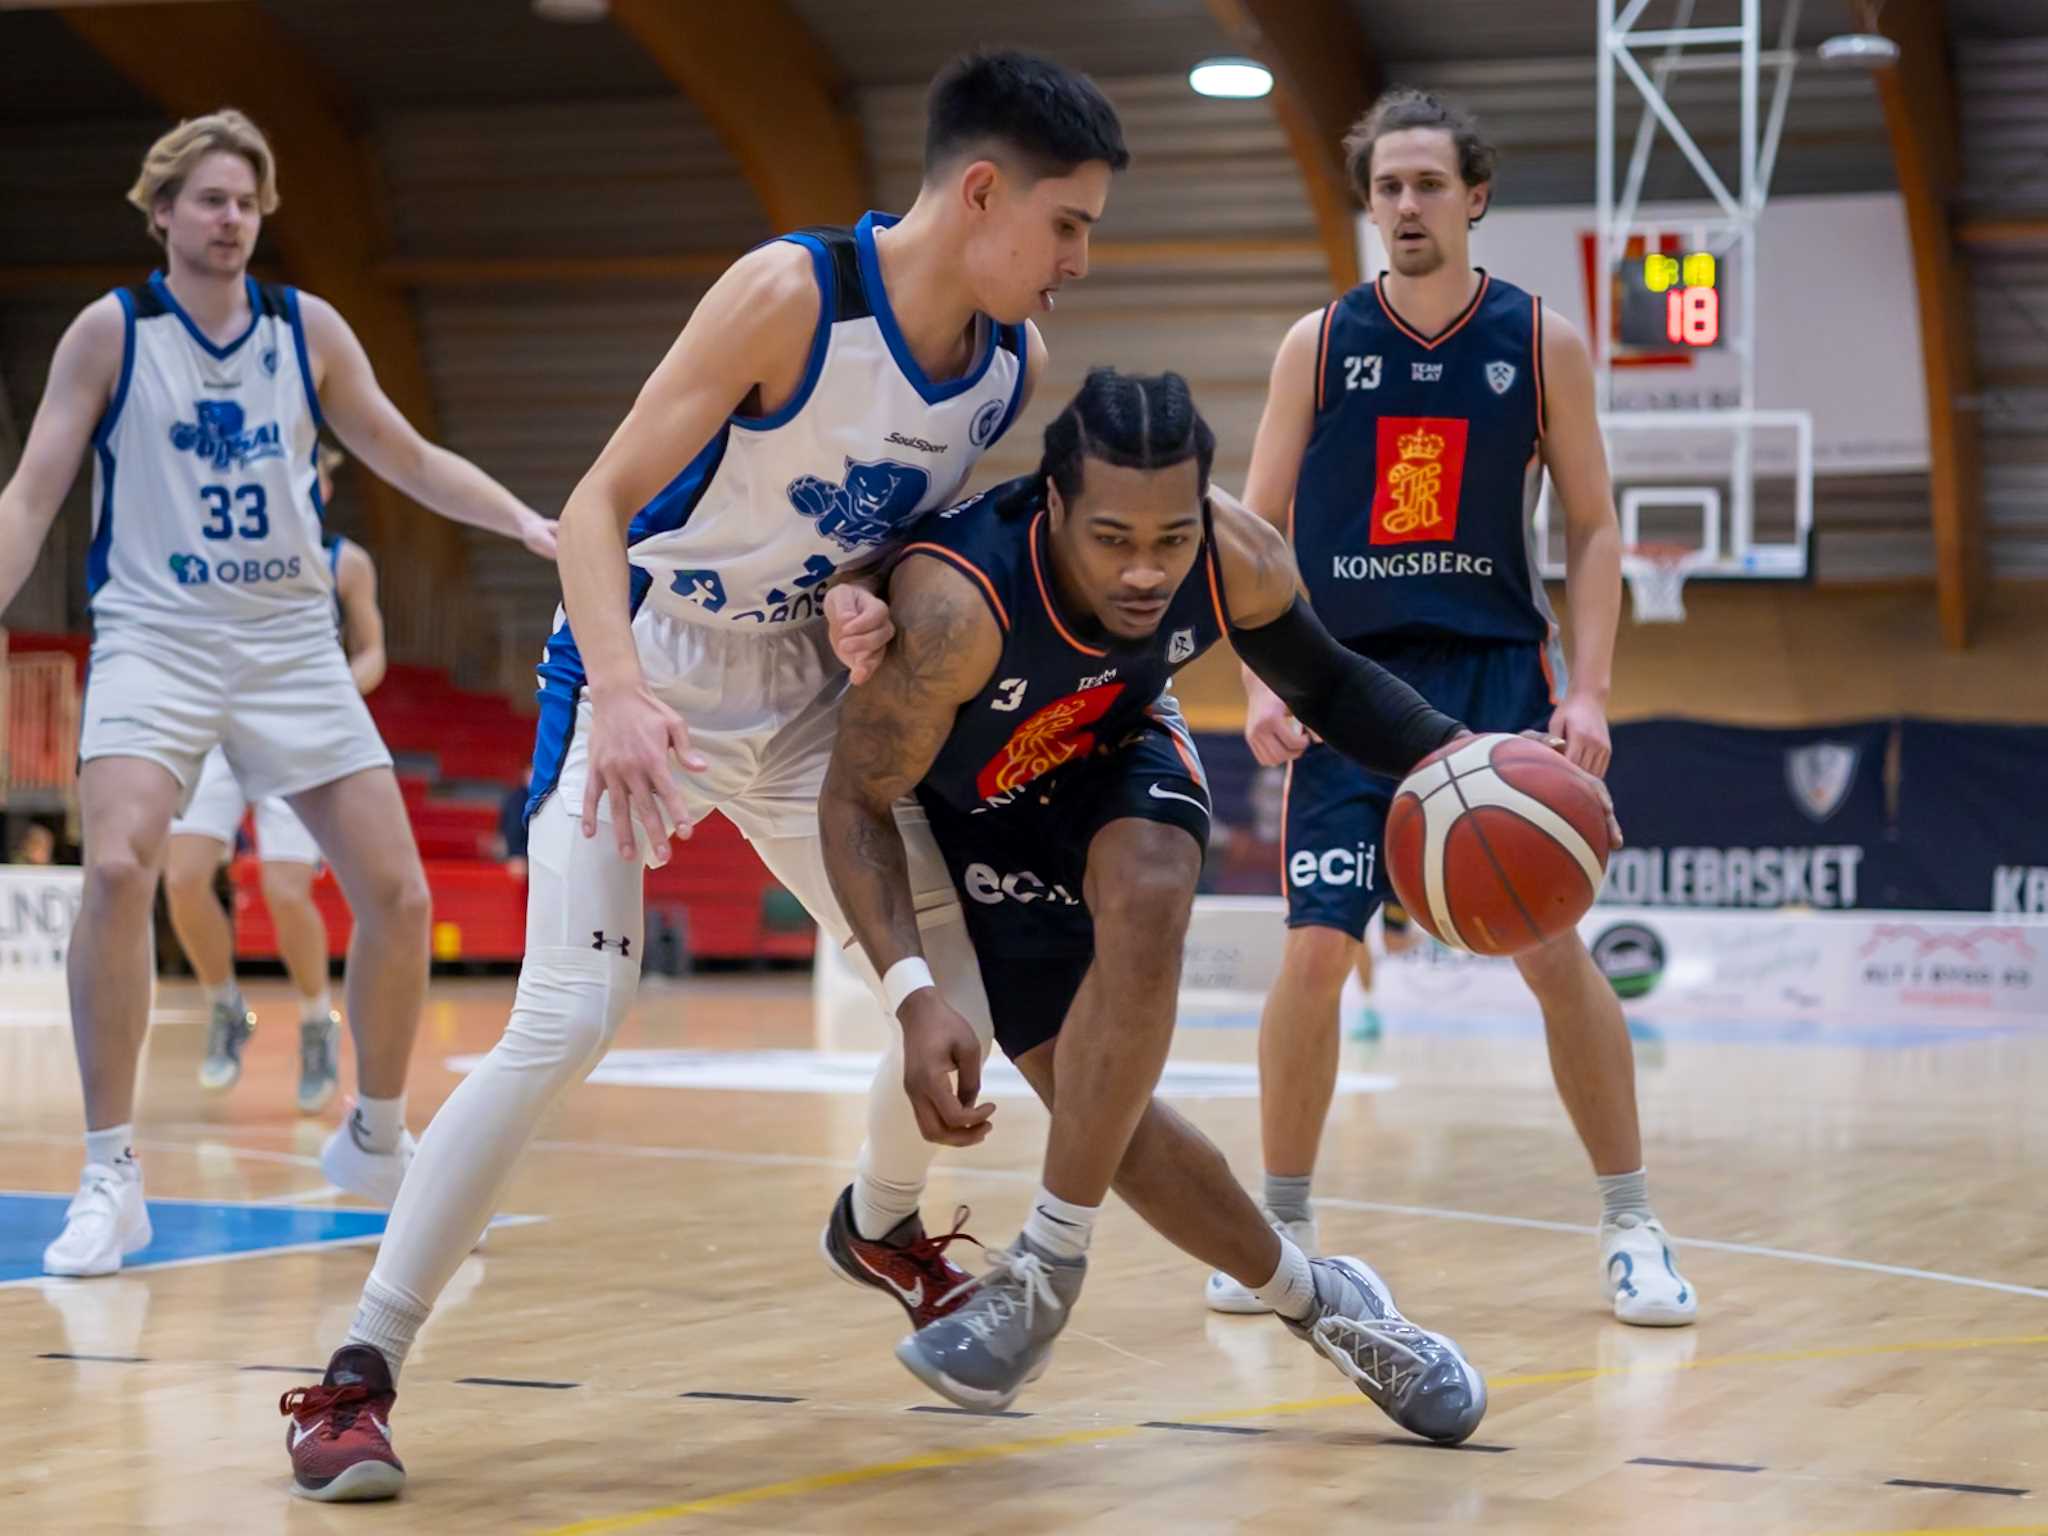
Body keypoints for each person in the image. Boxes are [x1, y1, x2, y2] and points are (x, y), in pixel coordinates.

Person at [278, 51, 1127, 1502]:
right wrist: (614, 695)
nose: (1079, 266)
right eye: (1069, 226)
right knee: (572, 1010)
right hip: (644, 654)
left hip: (798, 691)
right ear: (982, 194)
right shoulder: (790, 298)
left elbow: (879, 533)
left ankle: (882, 1221)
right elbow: (600, 506)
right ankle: (354, 1373)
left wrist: (869, 586)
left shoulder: (1007, 371)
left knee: (966, 982)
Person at [819, 368, 1613, 1427]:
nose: (1146, 571)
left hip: (1117, 755)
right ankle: (1327, 1305)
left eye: (1170, 536)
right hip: (978, 820)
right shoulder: (955, 609)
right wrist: (914, 990)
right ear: (1052, 504)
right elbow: (854, 800)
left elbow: (1325, 682)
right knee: (1103, 1117)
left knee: (1149, 897)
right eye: (1111, 540)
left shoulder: (1234, 553)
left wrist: (1460, 760)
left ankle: (1044, 1268)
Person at [0, 109, 556, 1279]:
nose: (231, 218)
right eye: (209, 199)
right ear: (161, 213)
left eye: (247, 202)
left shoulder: (308, 329)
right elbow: (32, 492)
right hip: (157, 633)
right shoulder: (113, 333)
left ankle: (375, 1137)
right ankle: (110, 1173)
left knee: (399, 897)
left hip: (290, 646)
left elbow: (402, 453)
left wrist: (516, 517)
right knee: (114, 866)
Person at [1207, 87, 1695, 1326]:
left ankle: (1632, 1224)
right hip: (1341, 682)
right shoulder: (1316, 343)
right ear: (1368, 206)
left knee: (1547, 943)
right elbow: (1249, 531)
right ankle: (1277, 1229)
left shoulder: (1541, 342)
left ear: (1473, 197)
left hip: (1488, 681)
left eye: (1428, 184)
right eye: (1387, 188)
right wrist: (1257, 676)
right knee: (1315, 949)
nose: (1407, 207)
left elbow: (1590, 529)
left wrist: (1585, 689)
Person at [164, 447, 387, 1113]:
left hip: (298, 728)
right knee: (180, 878)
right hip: (221, 723)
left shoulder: (346, 560)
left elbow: (372, 650)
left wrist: (336, 688)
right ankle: (224, 1005)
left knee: (286, 890)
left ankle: (318, 1021)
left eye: (315, 471)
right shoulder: (218, 544)